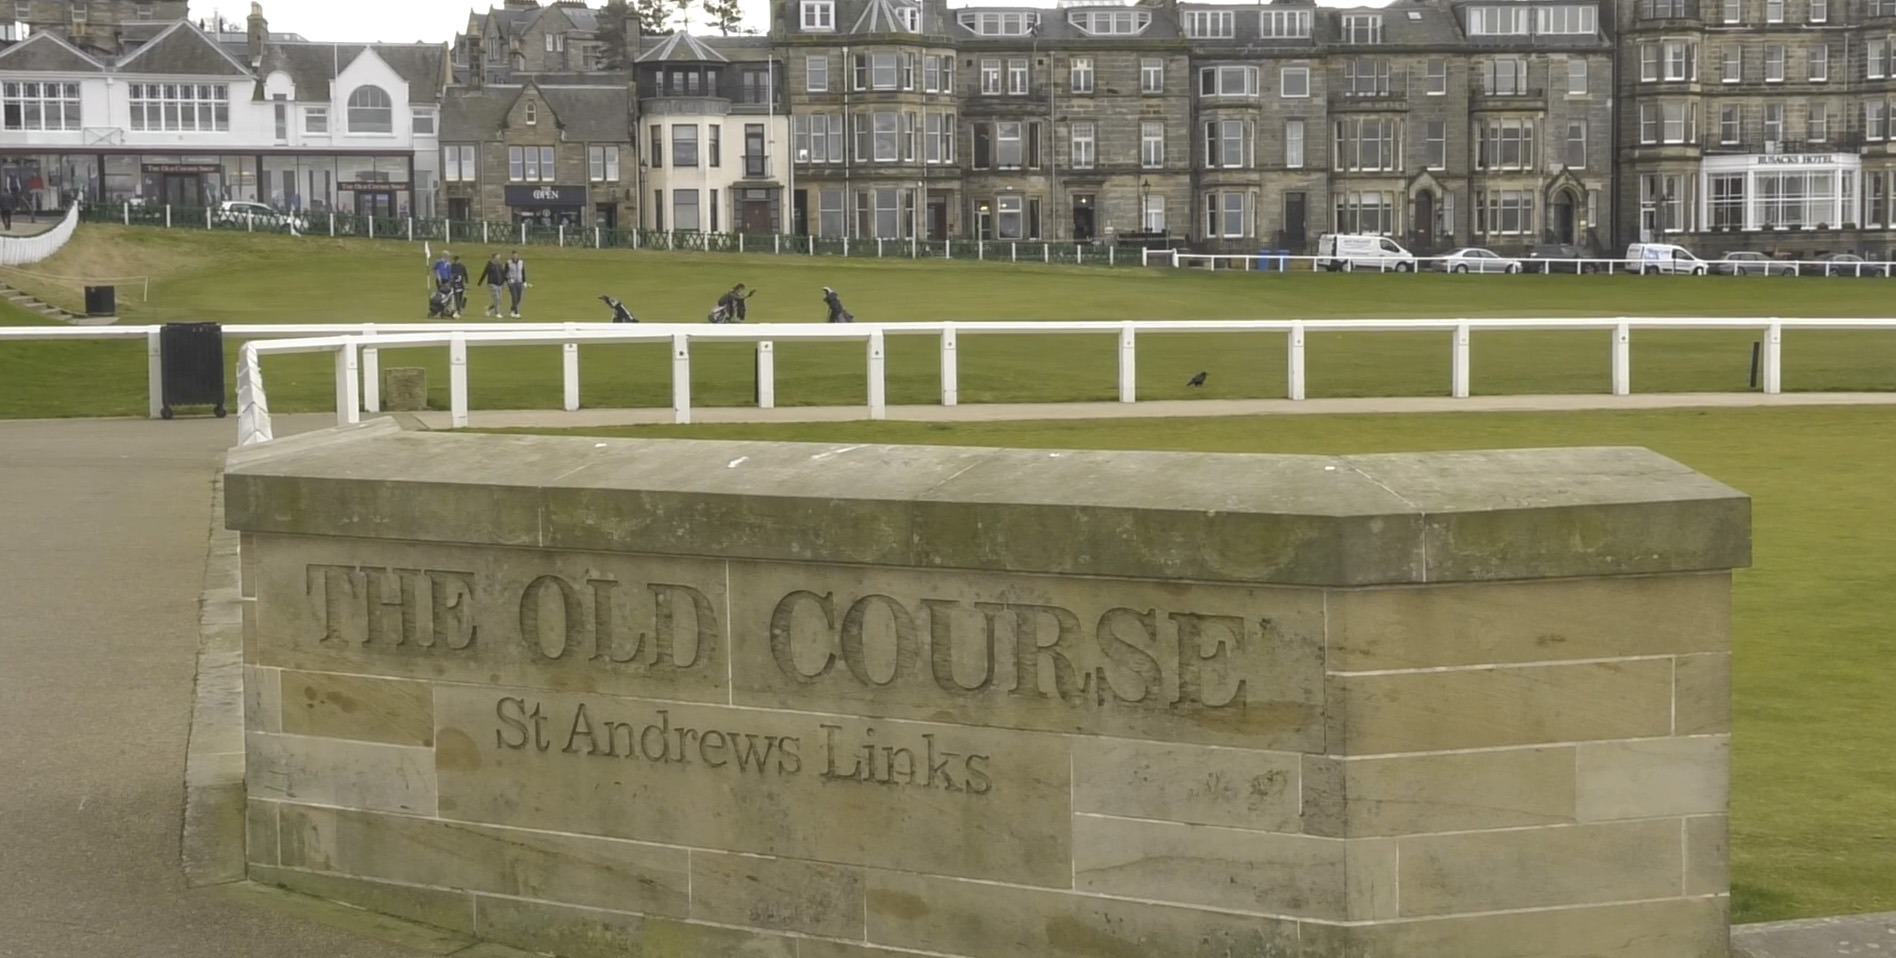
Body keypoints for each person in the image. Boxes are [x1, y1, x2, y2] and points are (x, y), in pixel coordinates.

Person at [505, 251, 528, 318]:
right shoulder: (508, 263)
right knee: (514, 297)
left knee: (518, 298)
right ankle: (516, 312)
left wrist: (524, 281)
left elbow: (523, 272)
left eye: (516, 255)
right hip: (512, 282)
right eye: (513, 255)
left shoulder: (521, 262)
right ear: (511, 256)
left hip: (519, 282)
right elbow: (505, 273)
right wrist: (508, 280)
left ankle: (512, 310)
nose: (515, 256)